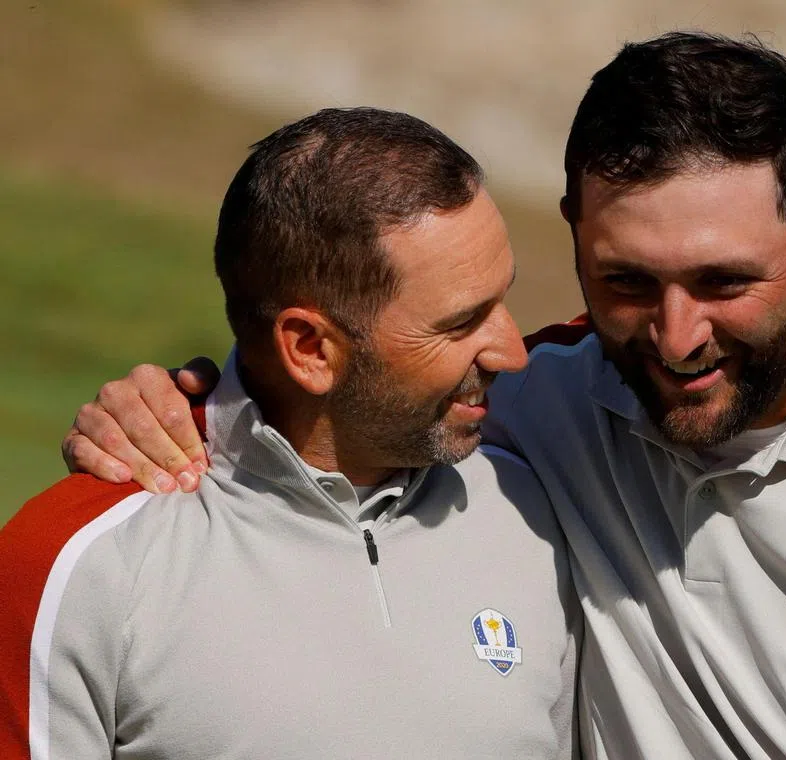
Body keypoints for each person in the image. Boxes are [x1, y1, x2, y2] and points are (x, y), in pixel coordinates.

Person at [57, 31, 786, 760]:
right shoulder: (535, 399)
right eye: (625, 282)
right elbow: (352, 385)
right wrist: (183, 404)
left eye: (724, 283)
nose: (675, 339)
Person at [0, 108, 580, 760]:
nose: (511, 351)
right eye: (460, 323)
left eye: (502, 300)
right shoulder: (79, 565)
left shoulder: (539, 511)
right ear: (309, 349)